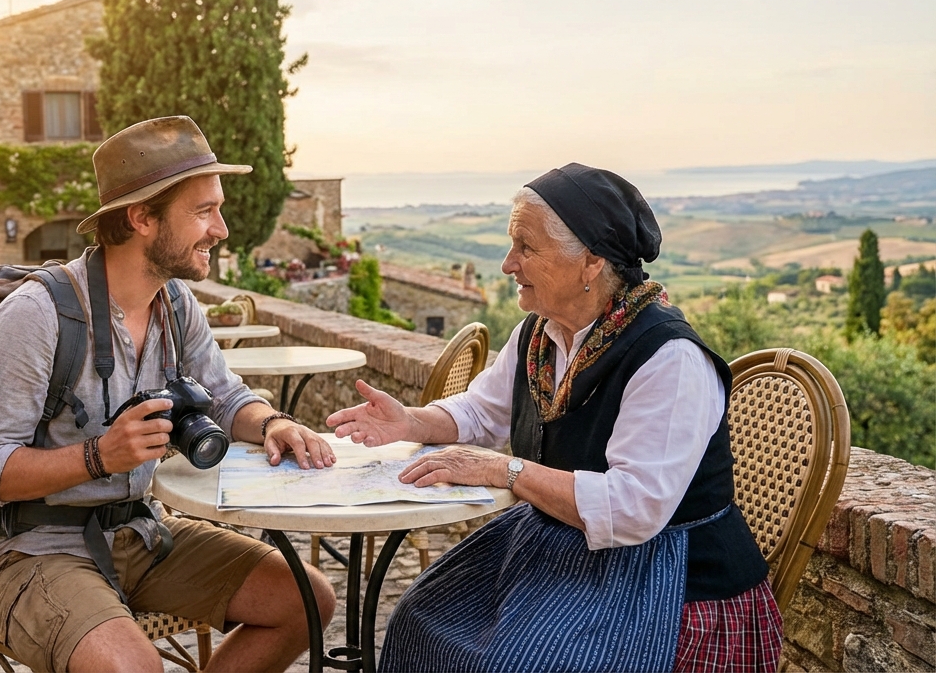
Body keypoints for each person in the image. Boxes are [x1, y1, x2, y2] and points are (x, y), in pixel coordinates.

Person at [327, 163, 781, 673]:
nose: (507, 264)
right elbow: (483, 409)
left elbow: (633, 509)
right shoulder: (540, 336)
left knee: (509, 665)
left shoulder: (668, 358)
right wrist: (411, 422)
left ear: (590, 261)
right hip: (564, 547)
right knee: (419, 619)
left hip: (665, 581)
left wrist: (506, 472)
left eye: (526, 247)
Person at [0, 115, 337, 673]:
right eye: (204, 211)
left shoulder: (175, 303)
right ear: (141, 217)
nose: (222, 228)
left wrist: (273, 423)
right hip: (32, 550)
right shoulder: (36, 315)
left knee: (307, 600)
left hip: (138, 530)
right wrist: (99, 456)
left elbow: (225, 396)